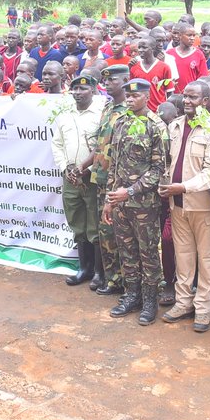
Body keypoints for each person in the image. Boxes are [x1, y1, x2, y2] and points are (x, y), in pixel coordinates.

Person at [103, 78, 169, 326]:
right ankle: (132, 296)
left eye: (135, 96)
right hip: (120, 204)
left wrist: (130, 191)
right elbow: (114, 165)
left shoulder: (156, 126)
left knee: (148, 253)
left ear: (147, 97)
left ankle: (150, 301)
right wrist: (110, 199)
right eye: (128, 96)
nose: (130, 100)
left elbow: (159, 169)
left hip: (145, 205)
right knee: (127, 251)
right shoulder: (121, 122)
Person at [160, 80, 210, 333]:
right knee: (183, 256)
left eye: (193, 97)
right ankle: (183, 303)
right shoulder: (175, 126)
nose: (187, 101)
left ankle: (203, 308)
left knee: (206, 259)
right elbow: (168, 162)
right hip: (176, 205)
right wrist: (166, 185)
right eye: (185, 96)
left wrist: (183, 187)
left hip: (202, 206)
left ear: (205, 101)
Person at [52, 74, 105, 287]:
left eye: (83, 89)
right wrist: (65, 168)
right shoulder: (65, 116)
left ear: (93, 90)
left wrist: (87, 169)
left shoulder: (100, 115)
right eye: (75, 89)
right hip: (70, 177)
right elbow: (57, 144)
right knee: (76, 221)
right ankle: (84, 268)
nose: (78, 93)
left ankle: (99, 272)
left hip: (91, 177)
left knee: (95, 223)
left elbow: (102, 147)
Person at [85, 64, 128, 295]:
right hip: (101, 177)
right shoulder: (109, 107)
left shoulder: (128, 110)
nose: (108, 84)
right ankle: (112, 279)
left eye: (113, 80)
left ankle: (125, 281)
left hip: (119, 182)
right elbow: (100, 143)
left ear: (125, 81)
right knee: (105, 230)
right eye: (106, 80)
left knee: (120, 232)